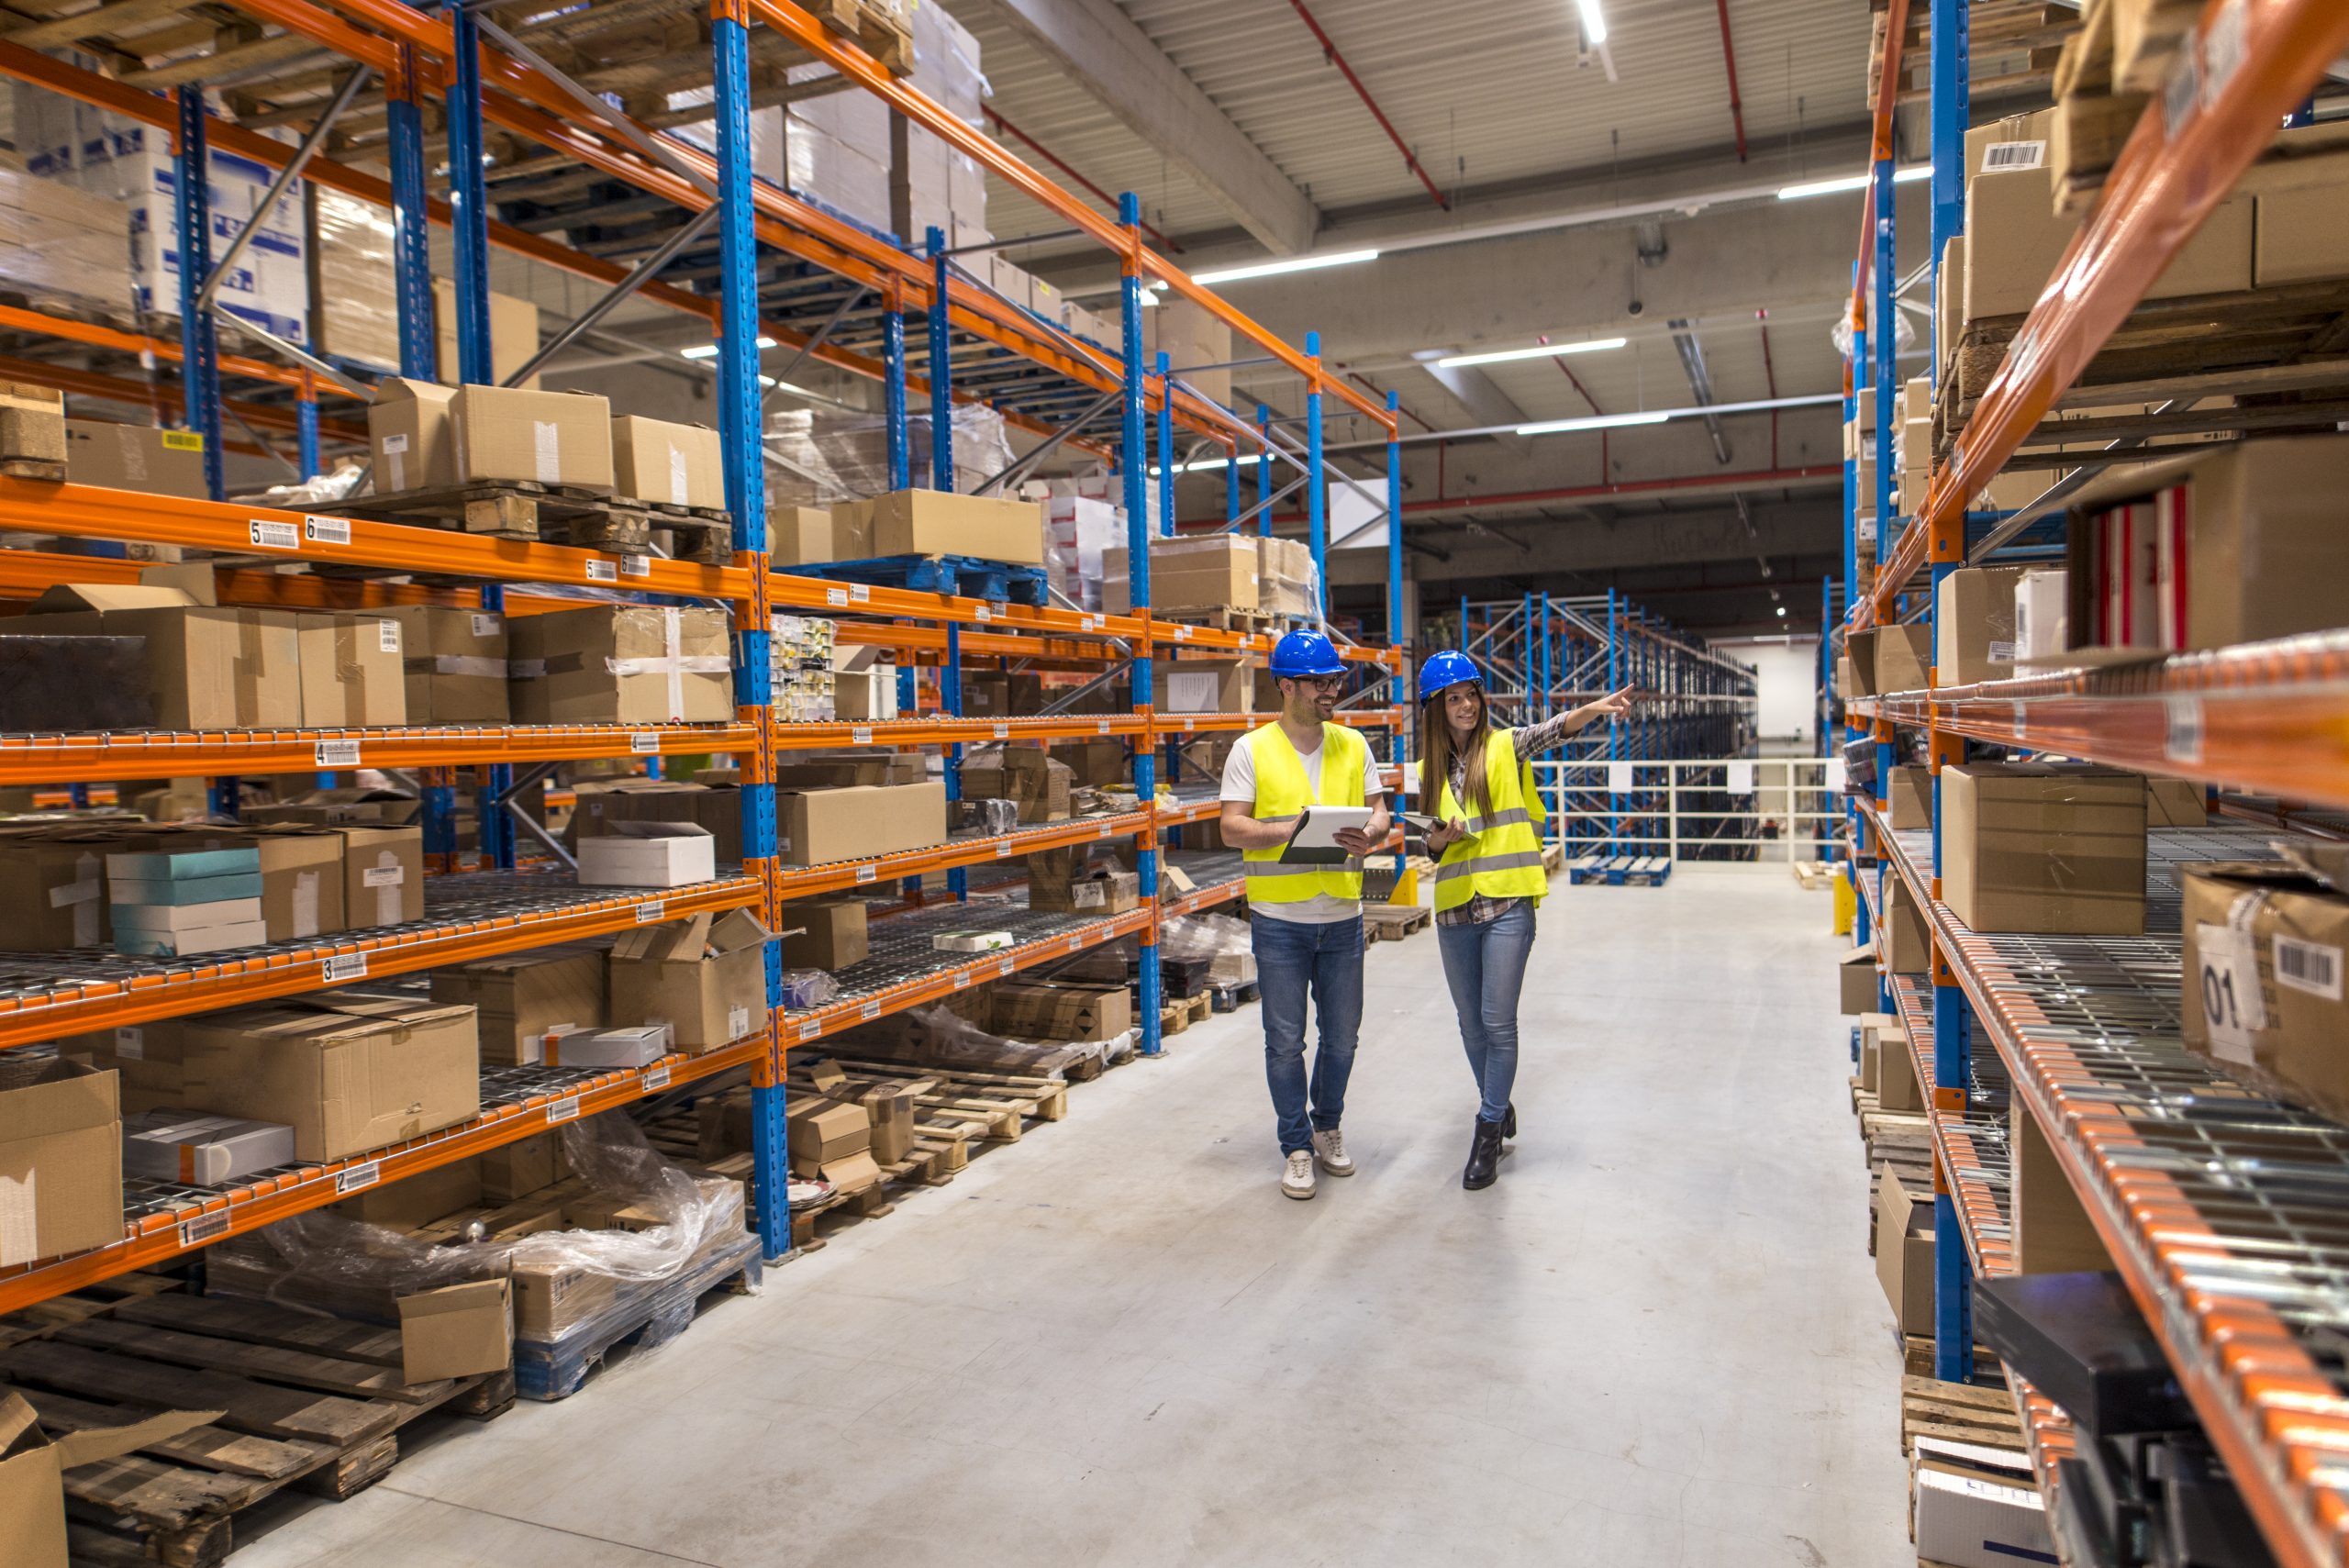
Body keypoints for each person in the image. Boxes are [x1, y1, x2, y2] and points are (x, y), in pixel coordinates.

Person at [1417, 651, 1634, 1190]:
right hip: (1455, 907)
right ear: (1435, 710)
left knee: (1497, 1021)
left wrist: (1597, 708)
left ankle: (1488, 1129)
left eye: (1471, 695)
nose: (1466, 706)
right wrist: (1437, 839)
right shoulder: (1428, 768)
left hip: (1508, 903)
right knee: (1469, 1025)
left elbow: (1555, 729)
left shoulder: (1504, 745)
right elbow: (1429, 846)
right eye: (1454, 698)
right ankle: (1499, 1099)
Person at [1219, 629, 1392, 1201]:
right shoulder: (1252, 749)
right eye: (1321, 682)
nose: (1332, 690)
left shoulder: (1353, 744)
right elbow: (1231, 827)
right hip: (1279, 921)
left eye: (1335, 680)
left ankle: (1327, 1125)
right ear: (1288, 685)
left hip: (1343, 914)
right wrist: (1288, 830)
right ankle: (1295, 1145)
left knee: (1342, 1037)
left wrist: (1371, 836)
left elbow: (1380, 813)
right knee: (1285, 1041)